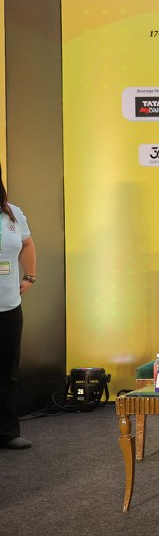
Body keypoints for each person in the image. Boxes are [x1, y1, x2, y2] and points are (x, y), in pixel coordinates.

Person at [0, 162, 36, 451]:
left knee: (6, 373)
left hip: (8, 306)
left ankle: (7, 432)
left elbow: (27, 244)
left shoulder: (12, 213)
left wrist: (29, 277)